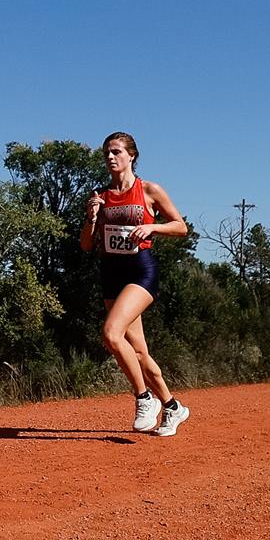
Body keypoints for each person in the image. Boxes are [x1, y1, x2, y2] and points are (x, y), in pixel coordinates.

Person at [80, 132, 190, 435]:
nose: (111, 158)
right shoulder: (100, 196)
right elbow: (87, 245)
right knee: (138, 351)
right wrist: (91, 218)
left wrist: (151, 227)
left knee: (111, 335)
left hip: (140, 271)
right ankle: (173, 407)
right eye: (107, 153)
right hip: (111, 273)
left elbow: (181, 227)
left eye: (116, 152)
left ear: (131, 156)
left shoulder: (149, 189)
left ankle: (144, 398)